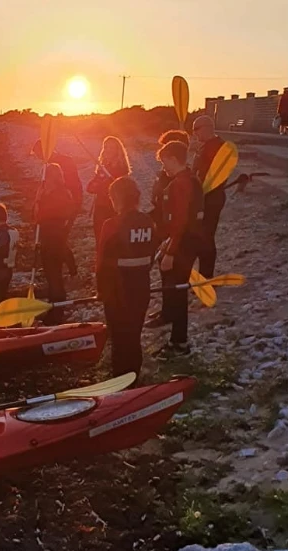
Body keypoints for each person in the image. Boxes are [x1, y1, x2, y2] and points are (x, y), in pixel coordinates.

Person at [96, 177, 157, 381]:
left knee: (119, 338)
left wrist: (100, 290)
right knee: (133, 335)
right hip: (141, 287)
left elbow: (102, 262)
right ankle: (134, 375)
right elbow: (151, 254)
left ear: (117, 199)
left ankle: (120, 380)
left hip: (116, 291)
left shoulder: (111, 224)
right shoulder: (148, 221)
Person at [150, 141, 204, 360]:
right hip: (184, 241)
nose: (164, 167)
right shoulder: (191, 179)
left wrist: (171, 251)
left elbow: (180, 221)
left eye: (164, 162)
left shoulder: (181, 184)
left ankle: (179, 343)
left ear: (173, 158)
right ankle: (171, 321)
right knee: (173, 287)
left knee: (178, 290)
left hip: (182, 245)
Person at [32, 140, 81, 276]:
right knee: (56, 240)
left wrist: (73, 207)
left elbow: (74, 186)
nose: (38, 158)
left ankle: (67, 267)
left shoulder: (64, 162)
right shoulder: (46, 165)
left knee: (60, 239)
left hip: (63, 207)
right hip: (54, 207)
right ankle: (61, 266)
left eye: (38, 154)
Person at [34, 163, 75, 324]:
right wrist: (39, 200)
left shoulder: (60, 193)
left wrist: (41, 202)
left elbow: (62, 212)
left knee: (54, 274)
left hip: (55, 235)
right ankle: (53, 306)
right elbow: (38, 215)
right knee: (50, 274)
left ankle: (58, 311)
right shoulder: (46, 191)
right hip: (46, 234)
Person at [191, 115, 226, 278]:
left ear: (205, 128)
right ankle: (203, 274)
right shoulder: (205, 146)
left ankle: (206, 276)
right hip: (204, 197)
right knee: (201, 236)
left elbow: (211, 175)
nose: (194, 134)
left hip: (211, 198)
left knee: (206, 237)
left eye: (195, 130)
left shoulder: (217, 147)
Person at [86, 136, 131, 243]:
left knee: (112, 239)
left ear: (117, 150)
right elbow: (90, 188)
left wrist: (104, 182)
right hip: (100, 207)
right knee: (100, 238)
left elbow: (119, 189)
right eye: (106, 147)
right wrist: (100, 182)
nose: (108, 150)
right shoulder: (102, 167)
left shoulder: (121, 169)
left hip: (114, 208)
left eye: (112, 148)